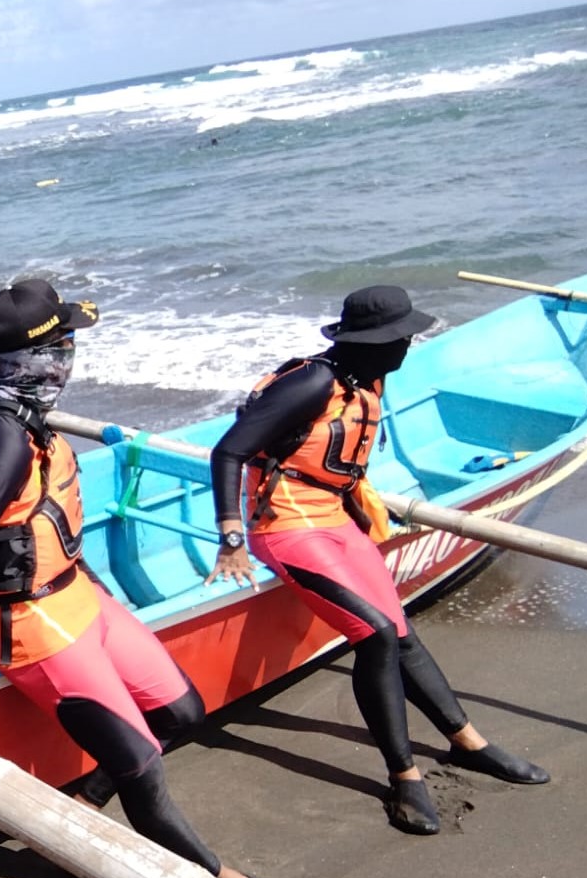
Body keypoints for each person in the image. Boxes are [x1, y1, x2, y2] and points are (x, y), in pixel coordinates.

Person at [0, 279, 321, 878]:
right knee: (140, 763)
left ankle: (80, 809)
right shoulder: (2, 440)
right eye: (64, 343)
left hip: (79, 598)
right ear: (37, 358)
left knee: (181, 713)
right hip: (34, 626)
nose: (72, 354)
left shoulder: (26, 420)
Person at [207, 285, 549, 835]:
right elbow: (229, 450)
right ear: (374, 342)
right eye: (402, 338)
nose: (409, 346)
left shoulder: (366, 378)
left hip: (334, 522)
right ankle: (404, 776)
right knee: (376, 635)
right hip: (287, 528)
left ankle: (468, 743)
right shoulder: (312, 383)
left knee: (400, 632)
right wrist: (231, 538)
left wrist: (358, 513)